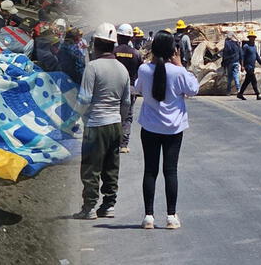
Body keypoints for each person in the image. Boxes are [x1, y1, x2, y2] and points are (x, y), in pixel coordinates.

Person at [134, 30, 198, 229]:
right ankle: (171, 216)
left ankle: (148, 216)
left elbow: (138, 88)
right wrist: (180, 65)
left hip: (150, 127)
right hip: (173, 129)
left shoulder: (144, 70)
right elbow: (193, 89)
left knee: (150, 171)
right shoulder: (178, 72)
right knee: (170, 171)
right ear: (173, 50)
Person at [73, 23, 131, 220]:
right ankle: (108, 205)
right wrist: (120, 122)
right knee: (111, 166)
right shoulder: (122, 70)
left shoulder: (93, 67)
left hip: (96, 124)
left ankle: (89, 207)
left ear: (96, 44)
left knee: (91, 167)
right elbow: (126, 102)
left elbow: (84, 99)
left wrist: (76, 118)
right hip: (115, 124)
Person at [113, 24, 143, 154]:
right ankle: (124, 144)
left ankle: (113, 143)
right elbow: (140, 71)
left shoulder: (113, 53)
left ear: (118, 36)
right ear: (131, 37)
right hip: (130, 88)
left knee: (113, 115)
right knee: (127, 117)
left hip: (114, 88)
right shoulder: (136, 54)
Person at [237, 30, 261, 100]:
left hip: (252, 66)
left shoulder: (254, 46)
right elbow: (242, 56)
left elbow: (257, 56)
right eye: (251, 37)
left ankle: (240, 94)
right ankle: (258, 94)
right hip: (247, 66)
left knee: (247, 81)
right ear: (249, 38)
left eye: (253, 37)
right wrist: (242, 66)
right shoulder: (246, 46)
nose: (252, 39)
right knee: (253, 80)